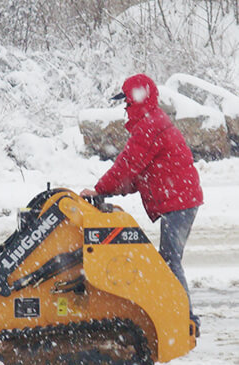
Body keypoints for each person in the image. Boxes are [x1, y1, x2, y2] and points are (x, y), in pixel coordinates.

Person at [80, 73, 203, 330]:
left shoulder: (150, 125)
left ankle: (184, 318)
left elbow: (128, 165)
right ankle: (179, 313)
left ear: (138, 99)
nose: (125, 107)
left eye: (126, 102)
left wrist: (100, 189)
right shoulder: (151, 122)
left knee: (169, 260)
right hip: (180, 198)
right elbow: (136, 175)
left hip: (178, 200)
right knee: (168, 259)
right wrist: (108, 192)